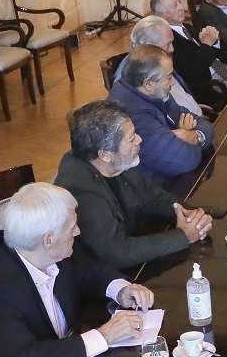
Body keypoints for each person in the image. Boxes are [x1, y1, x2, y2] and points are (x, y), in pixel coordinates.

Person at [0, 182, 156, 357]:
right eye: (72, 226)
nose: (78, 231)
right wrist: (105, 335)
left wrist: (119, 288)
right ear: (48, 239)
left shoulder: (39, 248)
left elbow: (84, 269)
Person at [54, 99, 212, 269]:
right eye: (131, 139)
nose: (139, 139)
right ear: (105, 154)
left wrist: (190, 216)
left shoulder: (115, 161)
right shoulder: (82, 189)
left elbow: (154, 198)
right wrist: (183, 236)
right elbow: (116, 252)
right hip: (102, 276)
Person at [107, 44, 210, 181]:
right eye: (169, 77)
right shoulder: (133, 114)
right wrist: (188, 138)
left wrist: (193, 136)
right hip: (160, 186)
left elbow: (202, 123)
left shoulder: (155, 92)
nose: (173, 83)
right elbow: (183, 161)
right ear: (148, 84)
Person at [117, 13, 220, 118]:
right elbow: (152, 112)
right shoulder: (133, 74)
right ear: (149, 44)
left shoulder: (155, 59)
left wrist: (191, 106)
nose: (172, 49)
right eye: (168, 44)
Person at [146, 0, 227, 108]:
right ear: (162, 15)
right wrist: (206, 45)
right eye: (175, 5)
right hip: (211, 83)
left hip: (224, 69)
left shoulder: (187, 28)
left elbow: (220, 53)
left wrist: (214, 41)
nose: (181, 7)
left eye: (180, 2)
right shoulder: (169, 42)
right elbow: (192, 72)